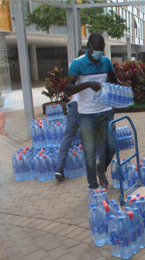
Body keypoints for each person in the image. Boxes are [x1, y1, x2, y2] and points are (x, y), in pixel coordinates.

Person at [64, 33, 126, 190]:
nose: (99, 51)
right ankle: (93, 186)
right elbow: (67, 88)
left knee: (111, 147)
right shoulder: (77, 64)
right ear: (89, 47)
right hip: (86, 114)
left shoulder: (106, 62)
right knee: (90, 153)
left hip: (106, 111)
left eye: (101, 48)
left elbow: (113, 80)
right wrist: (87, 84)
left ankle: (101, 168)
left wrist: (124, 84)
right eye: (96, 48)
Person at [54, 48, 86, 184]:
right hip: (86, 107)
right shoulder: (89, 66)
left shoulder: (73, 66)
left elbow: (68, 91)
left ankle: (59, 168)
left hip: (74, 106)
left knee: (67, 137)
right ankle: (96, 169)